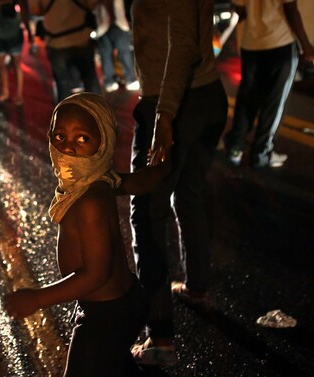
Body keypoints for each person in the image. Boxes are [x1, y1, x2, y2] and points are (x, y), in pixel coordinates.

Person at [4, 92, 171, 376]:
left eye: (82, 138)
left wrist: (36, 298)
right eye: (59, 136)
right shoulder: (100, 179)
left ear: (102, 144)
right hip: (119, 302)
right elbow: (141, 182)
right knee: (114, 365)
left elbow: (96, 275)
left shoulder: (90, 202)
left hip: (108, 313)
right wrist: (163, 164)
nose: (67, 147)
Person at [128, 0, 229, 366]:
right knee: (188, 195)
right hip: (206, 96)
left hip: (173, 103)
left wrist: (165, 114)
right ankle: (197, 288)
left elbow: (182, 42)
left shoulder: (167, 108)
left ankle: (161, 338)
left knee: (146, 213)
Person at [223, 0, 314, 168]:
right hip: (281, 42)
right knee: (275, 102)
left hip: (251, 42)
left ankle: (235, 148)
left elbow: (239, 9)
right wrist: (306, 44)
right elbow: (291, 8)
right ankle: (261, 153)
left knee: (247, 98)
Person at [28, 0, 102, 104]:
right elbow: (92, 3)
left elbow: (34, 9)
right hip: (81, 37)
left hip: (56, 41)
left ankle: (65, 117)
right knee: (90, 80)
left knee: (63, 85)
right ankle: (99, 114)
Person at [0, 0, 34, 107]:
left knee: (6, 65)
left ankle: (10, 93)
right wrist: (28, 32)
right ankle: (14, 94)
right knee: (13, 64)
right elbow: (24, 13)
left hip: (2, 34)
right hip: (9, 33)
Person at [94, 0, 139, 92]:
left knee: (125, 53)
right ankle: (109, 81)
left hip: (120, 25)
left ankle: (130, 79)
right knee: (106, 56)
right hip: (102, 28)